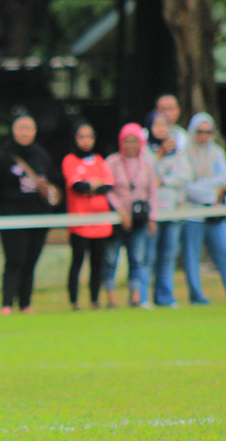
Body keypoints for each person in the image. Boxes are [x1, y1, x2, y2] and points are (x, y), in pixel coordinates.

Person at [0, 114, 60, 314]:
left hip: (39, 216)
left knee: (31, 260)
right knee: (15, 260)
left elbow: (52, 180)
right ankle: (7, 304)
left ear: (34, 131)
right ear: (13, 130)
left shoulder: (41, 155)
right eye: (21, 128)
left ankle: (26, 304)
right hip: (12, 216)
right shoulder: (2, 155)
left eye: (29, 128)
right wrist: (5, 206)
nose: (25, 132)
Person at [104, 123, 159, 308]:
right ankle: (111, 296)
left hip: (139, 218)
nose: (130, 145)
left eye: (134, 141)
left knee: (137, 257)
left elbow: (152, 192)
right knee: (111, 257)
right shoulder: (112, 162)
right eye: (126, 141)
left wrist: (152, 217)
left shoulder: (147, 163)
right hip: (116, 218)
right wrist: (121, 210)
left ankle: (135, 295)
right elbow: (108, 189)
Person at [62, 122, 114, 310]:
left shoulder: (99, 160)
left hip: (100, 222)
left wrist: (90, 186)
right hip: (80, 222)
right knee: (77, 262)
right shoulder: (70, 160)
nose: (86, 140)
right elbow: (77, 186)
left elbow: (108, 185)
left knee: (97, 263)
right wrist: (92, 185)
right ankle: (74, 301)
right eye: (81, 136)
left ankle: (94, 300)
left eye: (89, 136)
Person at [143, 111, 192, 307]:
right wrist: (160, 154)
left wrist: (164, 180)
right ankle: (143, 297)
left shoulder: (178, 150)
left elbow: (185, 175)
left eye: (164, 125)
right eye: (156, 125)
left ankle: (164, 296)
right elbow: (146, 176)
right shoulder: (145, 150)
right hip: (153, 212)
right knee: (149, 255)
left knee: (168, 255)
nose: (161, 129)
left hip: (172, 209)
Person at [180, 113, 226, 304]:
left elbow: (223, 178)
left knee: (223, 251)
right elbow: (186, 186)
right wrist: (211, 191)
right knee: (192, 256)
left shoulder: (216, 152)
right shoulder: (185, 153)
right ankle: (196, 295)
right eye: (200, 131)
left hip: (215, 212)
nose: (204, 135)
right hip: (193, 213)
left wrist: (205, 187)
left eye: (208, 132)